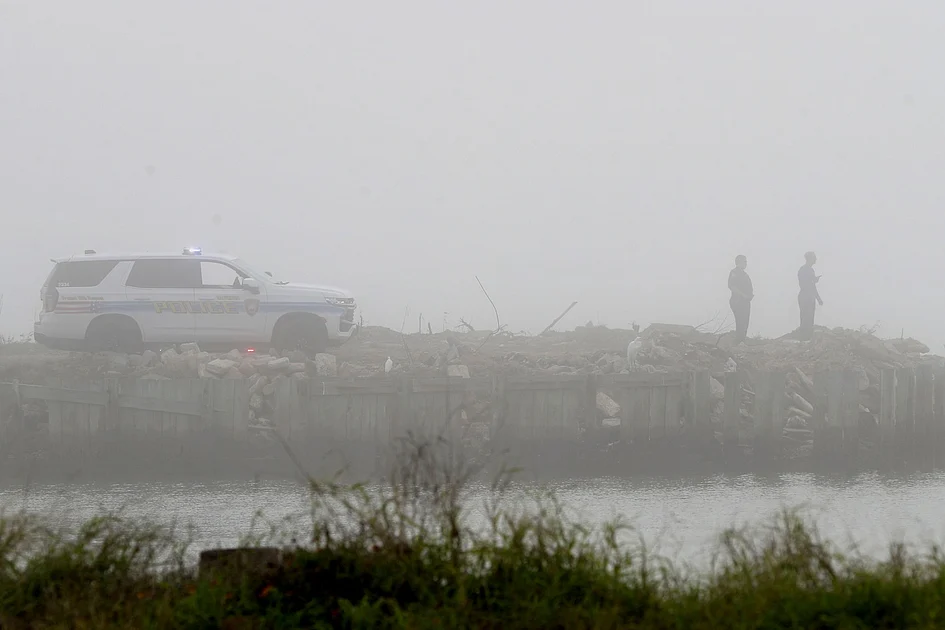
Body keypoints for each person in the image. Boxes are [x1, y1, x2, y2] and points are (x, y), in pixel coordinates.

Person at [728, 255, 753, 344]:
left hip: (746, 301)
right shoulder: (734, 272)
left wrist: (749, 296)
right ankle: (738, 341)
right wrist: (743, 295)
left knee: (745, 321)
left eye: (746, 261)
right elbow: (732, 286)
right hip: (738, 301)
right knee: (740, 321)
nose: (746, 263)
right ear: (739, 262)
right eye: (744, 261)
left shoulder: (745, 274)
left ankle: (742, 341)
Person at [797, 251, 823, 340]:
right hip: (807, 296)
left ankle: (805, 338)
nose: (816, 259)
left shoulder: (804, 269)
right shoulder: (807, 270)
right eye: (814, 257)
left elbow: (809, 284)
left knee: (806, 317)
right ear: (810, 259)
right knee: (807, 318)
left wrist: (813, 280)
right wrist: (818, 299)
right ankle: (805, 338)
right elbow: (809, 285)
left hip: (806, 296)